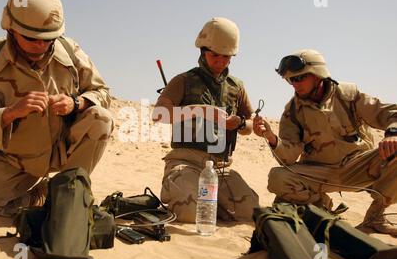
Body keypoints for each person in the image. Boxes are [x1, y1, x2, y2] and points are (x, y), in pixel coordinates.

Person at [0, 0, 114, 217]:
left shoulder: (70, 51)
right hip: (14, 160)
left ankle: (68, 191)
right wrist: (9, 113)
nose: (41, 45)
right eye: (31, 38)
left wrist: (76, 103)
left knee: (101, 118)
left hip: (61, 150)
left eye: (48, 39)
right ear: (11, 29)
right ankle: (37, 196)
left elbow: (102, 92)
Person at [253, 49, 397, 236]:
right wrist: (271, 138)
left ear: (318, 75)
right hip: (319, 172)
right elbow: (288, 158)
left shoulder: (348, 95)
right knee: (278, 178)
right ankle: (322, 206)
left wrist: (393, 134)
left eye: (300, 78)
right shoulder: (293, 111)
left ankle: (375, 217)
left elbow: (390, 114)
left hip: (359, 166)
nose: (295, 84)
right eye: (291, 80)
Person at [152, 17, 259, 223]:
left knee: (250, 211)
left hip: (220, 167)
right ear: (203, 52)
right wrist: (199, 111)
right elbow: (159, 114)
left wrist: (239, 124)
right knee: (191, 213)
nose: (220, 61)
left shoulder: (237, 87)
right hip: (185, 162)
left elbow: (250, 126)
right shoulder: (183, 80)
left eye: (226, 57)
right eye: (214, 55)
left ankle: (212, 200)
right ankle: (175, 193)